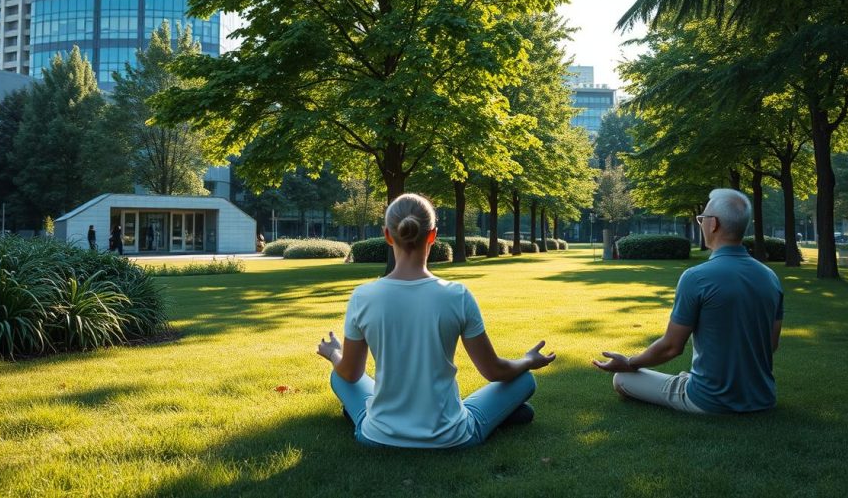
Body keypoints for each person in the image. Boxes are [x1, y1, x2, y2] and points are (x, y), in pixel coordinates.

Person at [317, 193, 556, 448]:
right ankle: (499, 415)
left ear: (387, 235)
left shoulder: (363, 296)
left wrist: (334, 354)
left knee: (338, 375)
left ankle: (366, 412)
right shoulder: (457, 296)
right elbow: (494, 371)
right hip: (452, 436)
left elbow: (350, 374)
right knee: (524, 379)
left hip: (377, 436)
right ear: (433, 235)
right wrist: (528, 360)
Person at [594, 188, 784, 414]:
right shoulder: (770, 277)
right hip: (762, 398)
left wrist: (630, 362)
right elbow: (770, 344)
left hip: (708, 400)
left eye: (702, 219)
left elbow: (671, 347)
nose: (700, 224)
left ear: (713, 224)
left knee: (622, 379)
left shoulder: (696, 277)